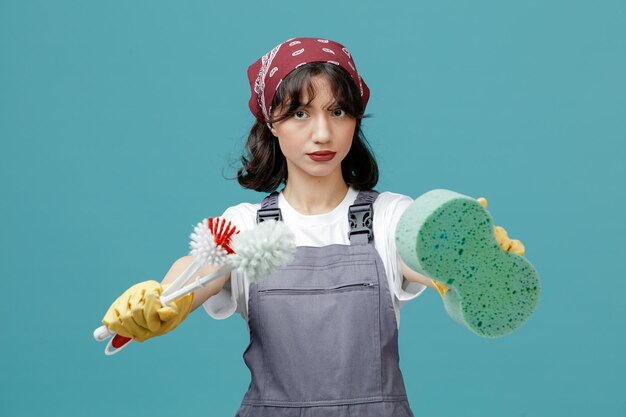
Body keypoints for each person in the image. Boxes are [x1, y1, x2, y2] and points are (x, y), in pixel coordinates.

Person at [102, 37, 525, 416]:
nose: (323, 133)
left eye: (338, 111)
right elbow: (198, 268)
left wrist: (467, 263)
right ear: (271, 122)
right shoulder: (245, 225)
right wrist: (163, 299)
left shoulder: (391, 216)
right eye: (300, 113)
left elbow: (423, 255)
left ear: (355, 120)